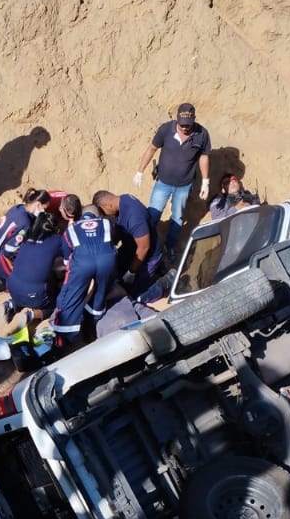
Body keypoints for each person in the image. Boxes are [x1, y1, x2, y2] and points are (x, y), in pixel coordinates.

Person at [133, 103, 211, 259]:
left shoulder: (202, 134)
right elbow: (152, 149)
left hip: (184, 186)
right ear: (177, 119)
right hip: (163, 183)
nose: (184, 128)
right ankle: (143, 246)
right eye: (182, 125)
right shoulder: (166, 129)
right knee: (153, 215)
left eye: (188, 125)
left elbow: (204, 157)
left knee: (177, 218)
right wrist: (139, 171)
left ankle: (170, 247)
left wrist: (205, 181)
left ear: (194, 120)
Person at [52, 204, 118, 347]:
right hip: (107, 260)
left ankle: (64, 337)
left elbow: (66, 257)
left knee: (72, 295)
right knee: (100, 292)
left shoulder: (71, 229)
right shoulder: (107, 223)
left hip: (82, 262)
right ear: (97, 215)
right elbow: (111, 240)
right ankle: (91, 325)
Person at [0, 187, 48, 300]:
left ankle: (3, 274)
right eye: (45, 208)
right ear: (38, 204)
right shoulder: (25, 223)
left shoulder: (18, 208)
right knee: (24, 282)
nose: (45, 212)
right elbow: (9, 250)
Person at [2, 211, 65, 326]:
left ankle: (12, 305)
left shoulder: (27, 237)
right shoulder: (58, 240)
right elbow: (66, 259)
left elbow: (8, 253)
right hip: (35, 294)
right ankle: (31, 315)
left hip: (11, 286)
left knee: (28, 286)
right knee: (56, 303)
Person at [93, 189, 158, 298]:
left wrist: (131, 272)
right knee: (114, 273)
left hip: (147, 256)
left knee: (134, 295)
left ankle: (164, 284)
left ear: (108, 205)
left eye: (103, 212)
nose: (104, 215)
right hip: (129, 247)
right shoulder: (122, 200)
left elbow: (144, 247)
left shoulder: (134, 217)